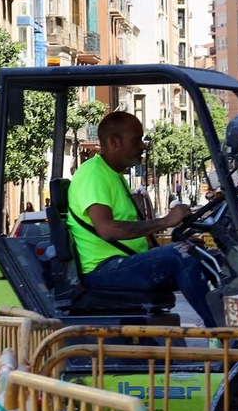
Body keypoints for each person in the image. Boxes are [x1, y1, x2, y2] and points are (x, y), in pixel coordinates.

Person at [64, 112, 219, 327]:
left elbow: (133, 238)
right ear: (114, 142)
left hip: (122, 263)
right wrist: (165, 221)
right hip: (103, 270)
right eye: (136, 139)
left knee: (206, 257)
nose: (142, 146)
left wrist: (183, 246)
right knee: (177, 257)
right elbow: (107, 230)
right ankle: (226, 334)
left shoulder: (114, 176)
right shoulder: (93, 174)